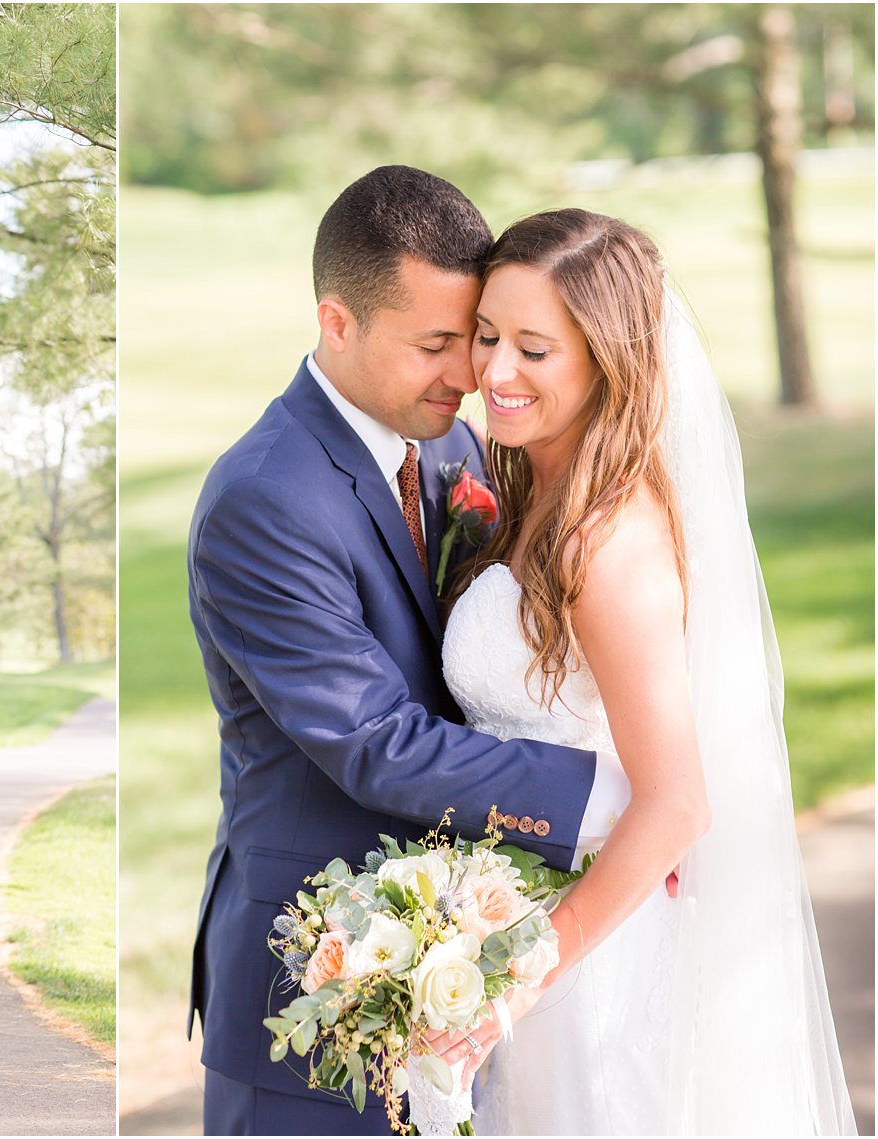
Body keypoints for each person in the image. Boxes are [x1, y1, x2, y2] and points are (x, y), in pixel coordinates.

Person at [186, 166, 629, 1135]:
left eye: (465, 337)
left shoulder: (449, 448)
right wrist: (610, 797)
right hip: (316, 985)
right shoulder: (265, 495)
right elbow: (373, 739)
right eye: (434, 343)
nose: (466, 374)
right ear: (336, 322)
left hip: (461, 970)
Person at [433, 208, 855, 1133]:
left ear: (606, 361)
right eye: (489, 335)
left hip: (584, 975)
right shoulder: (529, 490)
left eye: (534, 350)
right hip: (523, 929)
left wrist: (516, 979)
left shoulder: (607, 539)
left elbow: (676, 804)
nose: (494, 372)